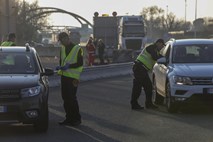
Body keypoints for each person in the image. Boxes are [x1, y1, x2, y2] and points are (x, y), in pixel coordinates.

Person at [56, 32, 83, 126]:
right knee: (65, 99)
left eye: (62, 41)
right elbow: (62, 61)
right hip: (64, 76)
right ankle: (69, 118)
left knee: (72, 98)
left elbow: (80, 63)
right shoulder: (62, 48)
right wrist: (60, 67)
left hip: (73, 78)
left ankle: (76, 119)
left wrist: (69, 66)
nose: (61, 43)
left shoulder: (77, 48)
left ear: (66, 38)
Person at [130, 39, 165, 110]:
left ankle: (148, 104)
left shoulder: (156, 51)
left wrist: (165, 58)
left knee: (148, 87)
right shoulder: (151, 47)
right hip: (139, 67)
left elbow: (158, 56)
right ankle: (135, 104)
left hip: (141, 69)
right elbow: (154, 57)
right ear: (158, 43)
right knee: (138, 88)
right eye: (162, 45)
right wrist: (164, 58)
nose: (162, 47)